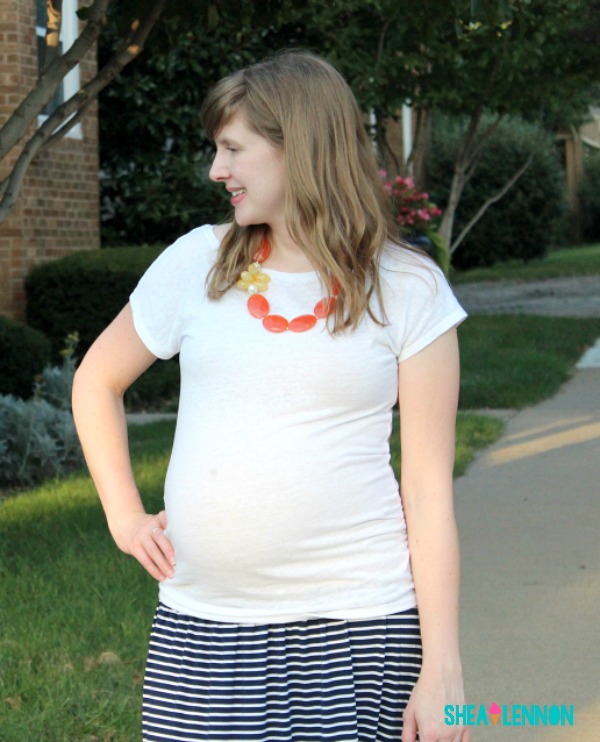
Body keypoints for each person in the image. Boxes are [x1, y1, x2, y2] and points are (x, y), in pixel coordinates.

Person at [72, 50, 469, 742]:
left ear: (302, 148)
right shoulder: (197, 262)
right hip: (204, 631)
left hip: (361, 631)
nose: (215, 170)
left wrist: (442, 669)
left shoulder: (409, 289)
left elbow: (429, 490)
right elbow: (96, 381)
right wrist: (123, 517)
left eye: (233, 148)